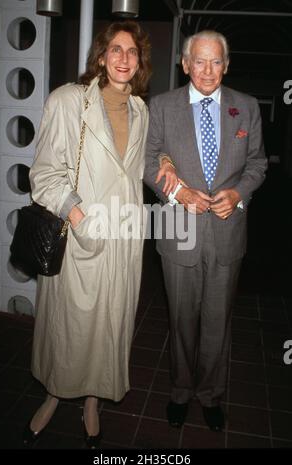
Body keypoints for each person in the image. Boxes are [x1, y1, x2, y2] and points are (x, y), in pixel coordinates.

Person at [23, 20, 153, 448]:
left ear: (139, 62)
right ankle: (55, 394)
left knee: (108, 326)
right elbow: (43, 174)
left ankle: (93, 399)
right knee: (70, 325)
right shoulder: (68, 101)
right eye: (115, 49)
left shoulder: (140, 110)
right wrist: (77, 216)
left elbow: (136, 170)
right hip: (82, 236)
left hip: (124, 240)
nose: (123, 58)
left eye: (131, 52)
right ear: (100, 56)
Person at [144, 30, 267, 432]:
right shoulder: (161, 107)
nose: (208, 70)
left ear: (227, 65)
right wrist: (178, 193)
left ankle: (210, 395)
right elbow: (146, 162)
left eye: (216, 62)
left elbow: (257, 164)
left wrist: (237, 193)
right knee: (180, 321)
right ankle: (180, 391)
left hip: (228, 234)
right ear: (185, 64)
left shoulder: (246, 108)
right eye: (200, 61)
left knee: (218, 321)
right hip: (178, 232)